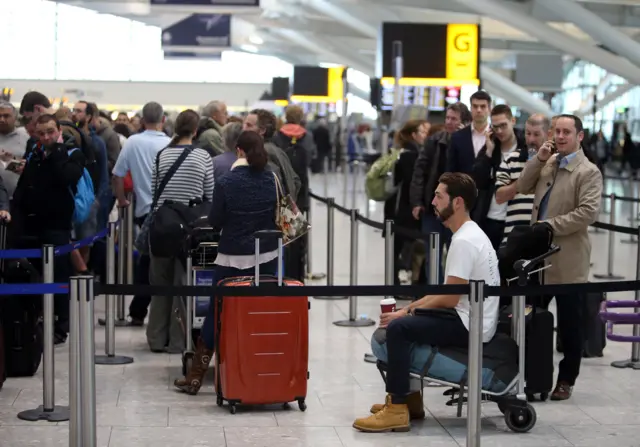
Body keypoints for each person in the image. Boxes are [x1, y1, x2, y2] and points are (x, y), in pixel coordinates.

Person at [353, 172, 500, 433]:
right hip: (468, 317)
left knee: (399, 329)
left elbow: (449, 298)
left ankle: (398, 408)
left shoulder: (464, 241)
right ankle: (411, 400)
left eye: (438, 196)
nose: (433, 201)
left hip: (469, 324)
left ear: (457, 203)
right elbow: (446, 292)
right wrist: (408, 309)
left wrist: (405, 314)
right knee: (404, 321)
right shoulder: (469, 233)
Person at [174, 130, 279, 395]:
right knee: (262, 311)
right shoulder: (271, 178)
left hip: (232, 256)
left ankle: (196, 375)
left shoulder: (226, 181)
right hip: (266, 256)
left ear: (239, 151)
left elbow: (216, 220)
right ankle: (261, 369)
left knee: (217, 311)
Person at [516, 114, 602, 400]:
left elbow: (587, 213)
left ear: (580, 136)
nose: (561, 136)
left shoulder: (588, 172)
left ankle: (566, 380)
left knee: (569, 325)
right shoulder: (549, 163)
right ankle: (533, 376)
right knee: (533, 320)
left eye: (567, 132)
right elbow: (524, 186)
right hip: (538, 260)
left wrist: (549, 226)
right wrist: (539, 159)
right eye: (557, 131)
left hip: (567, 259)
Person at [146, 110, 214, 353]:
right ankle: (178, 342)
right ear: (195, 131)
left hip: (162, 226)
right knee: (182, 287)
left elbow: (154, 192)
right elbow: (209, 195)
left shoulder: (162, 155)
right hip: (188, 229)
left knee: (159, 285)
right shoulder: (203, 156)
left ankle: (155, 339)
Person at [470, 104, 526, 250]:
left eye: (503, 126)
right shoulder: (491, 147)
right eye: (495, 127)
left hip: (517, 217)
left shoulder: (524, 146)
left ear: (512, 121)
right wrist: (488, 153)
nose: (499, 131)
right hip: (491, 217)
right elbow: (478, 181)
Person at [446, 91, 491, 174]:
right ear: (470, 108)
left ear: (489, 109)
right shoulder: (457, 137)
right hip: (462, 185)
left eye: (483, 106)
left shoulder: (496, 136)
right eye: (475, 106)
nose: (478, 110)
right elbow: (451, 171)